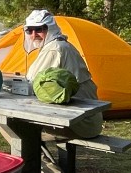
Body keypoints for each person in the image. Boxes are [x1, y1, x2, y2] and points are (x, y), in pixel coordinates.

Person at [22, 8, 102, 140]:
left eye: (39, 29)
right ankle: (41, 159)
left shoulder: (55, 48)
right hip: (89, 120)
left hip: (79, 123)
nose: (33, 34)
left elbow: (32, 84)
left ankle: (37, 161)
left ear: (50, 29)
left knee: (17, 128)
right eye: (29, 30)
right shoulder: (59, 45)